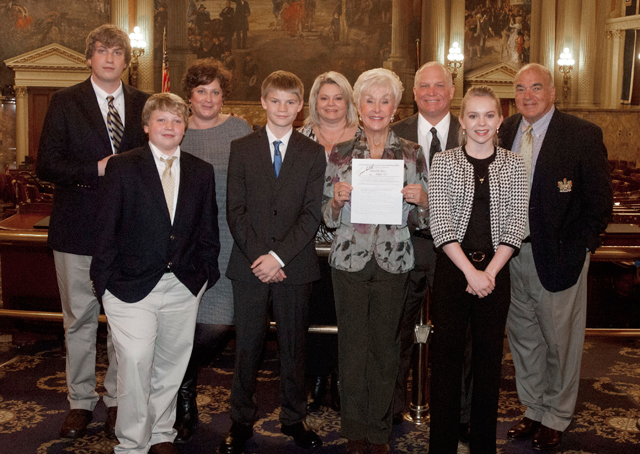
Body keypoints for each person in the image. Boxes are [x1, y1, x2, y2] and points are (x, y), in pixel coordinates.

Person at [36, 23, 149, 440]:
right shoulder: (65, 102)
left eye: (117, 52)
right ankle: (80, 401)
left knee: (125, 321)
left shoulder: (143, 103)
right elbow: (46, 165)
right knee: (78, 322)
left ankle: (118, 400)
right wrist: (95, 170)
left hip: (129, 234)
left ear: (125, 60)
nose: (109, 57)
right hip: (77, 230)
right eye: (101, 50)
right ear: (89, 57)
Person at [90, 93, 219, 454]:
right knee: (134, 363)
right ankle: (131, 443)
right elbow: (104, 229)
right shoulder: (123, 166)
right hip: (129, 286)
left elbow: (208, 230)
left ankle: (162, 432)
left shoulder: (200, 170)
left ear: (185, 128)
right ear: (147, 126)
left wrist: (206, 274)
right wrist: (103, 283)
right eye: (162, 120)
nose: (170, 127)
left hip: (183, 285)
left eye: (177, 121)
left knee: (171, 365)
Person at [500, 63, 613, 451]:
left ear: (552, 92)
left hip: (560, 257)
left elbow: (600, 204)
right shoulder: (506, 130)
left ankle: (557, 415)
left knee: (559, 342)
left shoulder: (581, 134)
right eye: (520, 89)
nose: (528, 96)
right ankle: (533, 409)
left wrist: (581, 248)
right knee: (524, 340)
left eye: (536, 88)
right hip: (511, 257)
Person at [323, 68, 428, 454]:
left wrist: (423, 201)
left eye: (385, 101)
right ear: (359, 106)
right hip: (349, 261)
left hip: (394, 261)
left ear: (396, 106)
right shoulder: (341, 152)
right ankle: (354, 430)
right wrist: (335, 200)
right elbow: (326, 214)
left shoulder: (413, 154)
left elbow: (426, 221)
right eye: (370, 100)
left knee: (386, 348)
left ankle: (380, 432)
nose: (377, 108)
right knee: (352, 347)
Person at [220, 71, 326, 454]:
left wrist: (279, 257)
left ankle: (294, 418)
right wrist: (262, 257)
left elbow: (312, 214)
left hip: (294, 266)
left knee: (294, 347)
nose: (282, 108)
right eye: (275, 100)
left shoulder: (313, 153)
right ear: (264, 102)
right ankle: (240, 420)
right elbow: (236, 210)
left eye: (290, 102)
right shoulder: (242, 148)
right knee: (247, 345)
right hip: (249, 265)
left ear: (300, 108)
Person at [428, 85, 527, 454]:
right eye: (473, 115)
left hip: (496, 274)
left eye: (489, 115)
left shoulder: (515, 164)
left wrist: (489, 274)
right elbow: (440, 225)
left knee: (488, 365)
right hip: (454, 271)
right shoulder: (444, 161)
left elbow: (516, 225)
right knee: (446, 363)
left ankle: (483, 445)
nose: (481, 123)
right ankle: (441, 446)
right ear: (462, 121)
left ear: (499, 120)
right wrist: (471, 272)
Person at [172, 59, 252, 443]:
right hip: (184, 244)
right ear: (189, 95)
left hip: (228, 241)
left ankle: (178, 381)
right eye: (201, 90)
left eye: (216, 91)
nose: (208, 98)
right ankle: (185, 399)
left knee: (216, 326)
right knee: (179, 324)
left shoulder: (239, 129)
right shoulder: (176, 128)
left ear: (224, 97)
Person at [390, 61, 463, 425]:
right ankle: (393, 409)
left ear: (452, 91)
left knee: (454, 336)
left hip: (457, 252)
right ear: (414, 93)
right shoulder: (393, 133)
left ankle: (455, 414)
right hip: (406, 245)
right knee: (397, 333)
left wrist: (431, 199)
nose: (431, 92)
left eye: (439, 86)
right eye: (424, 86)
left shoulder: (473, 133)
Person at [299, 71, 362, 412]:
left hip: (352, 240)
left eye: (338, 97)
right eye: (324, 97)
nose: (331, 104)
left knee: (347, 311)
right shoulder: (300, 136)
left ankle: (342, 377)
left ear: (349, 101)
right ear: (314, 101)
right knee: (314, 310)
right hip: (308, 240)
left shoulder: (368, 138)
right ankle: (318, 377)